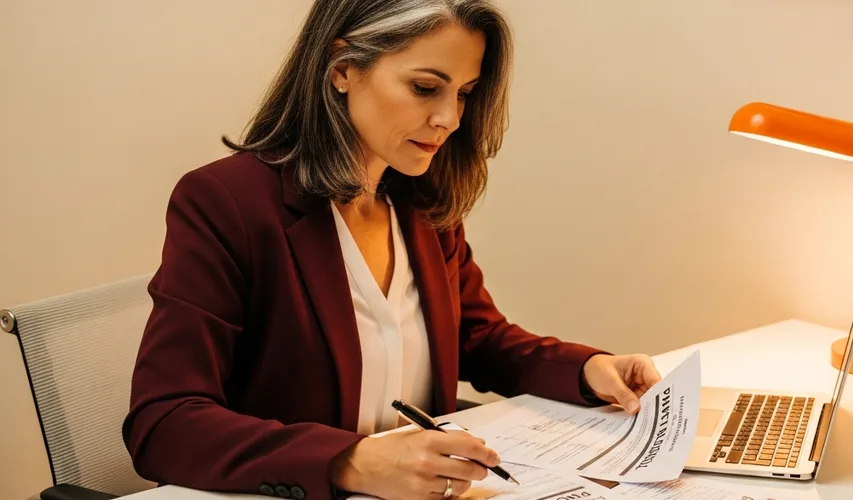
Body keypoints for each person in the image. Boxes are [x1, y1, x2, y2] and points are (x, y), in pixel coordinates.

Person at [121, 1, 662, 499]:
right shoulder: (228, 202)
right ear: (343, 68)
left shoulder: (419, 201)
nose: (450, 118)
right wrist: (348, 460)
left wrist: (589, 368)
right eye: (426, 87)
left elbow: (477, 337)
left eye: (465, 94)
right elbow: (163, 422)